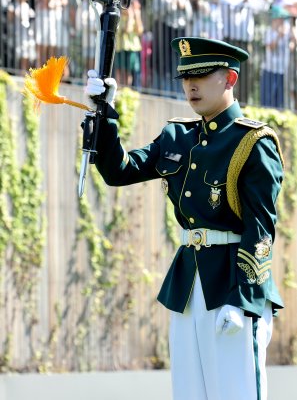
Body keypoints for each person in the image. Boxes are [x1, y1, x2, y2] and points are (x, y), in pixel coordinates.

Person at [85, 37, 284, 400]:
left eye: (203, 75)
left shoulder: (254, 141)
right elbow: (120, 171)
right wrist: (104, 115)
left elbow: (261, 229)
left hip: (231, 287)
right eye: (186, 76)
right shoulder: (177, 136)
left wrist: (243, 299)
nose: (191, 85)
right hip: (187, 284)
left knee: (237, 393)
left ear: (229, 79)